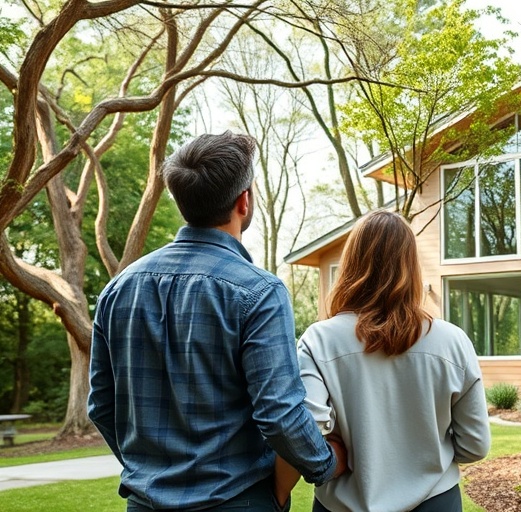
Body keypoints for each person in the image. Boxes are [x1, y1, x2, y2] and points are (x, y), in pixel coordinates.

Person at [88, 132, 344, 511]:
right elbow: (280, 413)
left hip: (145, 503)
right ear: (244, 201)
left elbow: (102, 406)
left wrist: (148, 471)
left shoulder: (118, 289)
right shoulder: (259, 292)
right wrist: (326, 462)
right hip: (237, 501)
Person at [295, 210, 491, 512]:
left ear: (351, 262)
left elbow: (306, 433)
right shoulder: (452, 342)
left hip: (342, 504)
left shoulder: (318, 340)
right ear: (411, 265)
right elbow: (475, 446)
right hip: (435, 502)